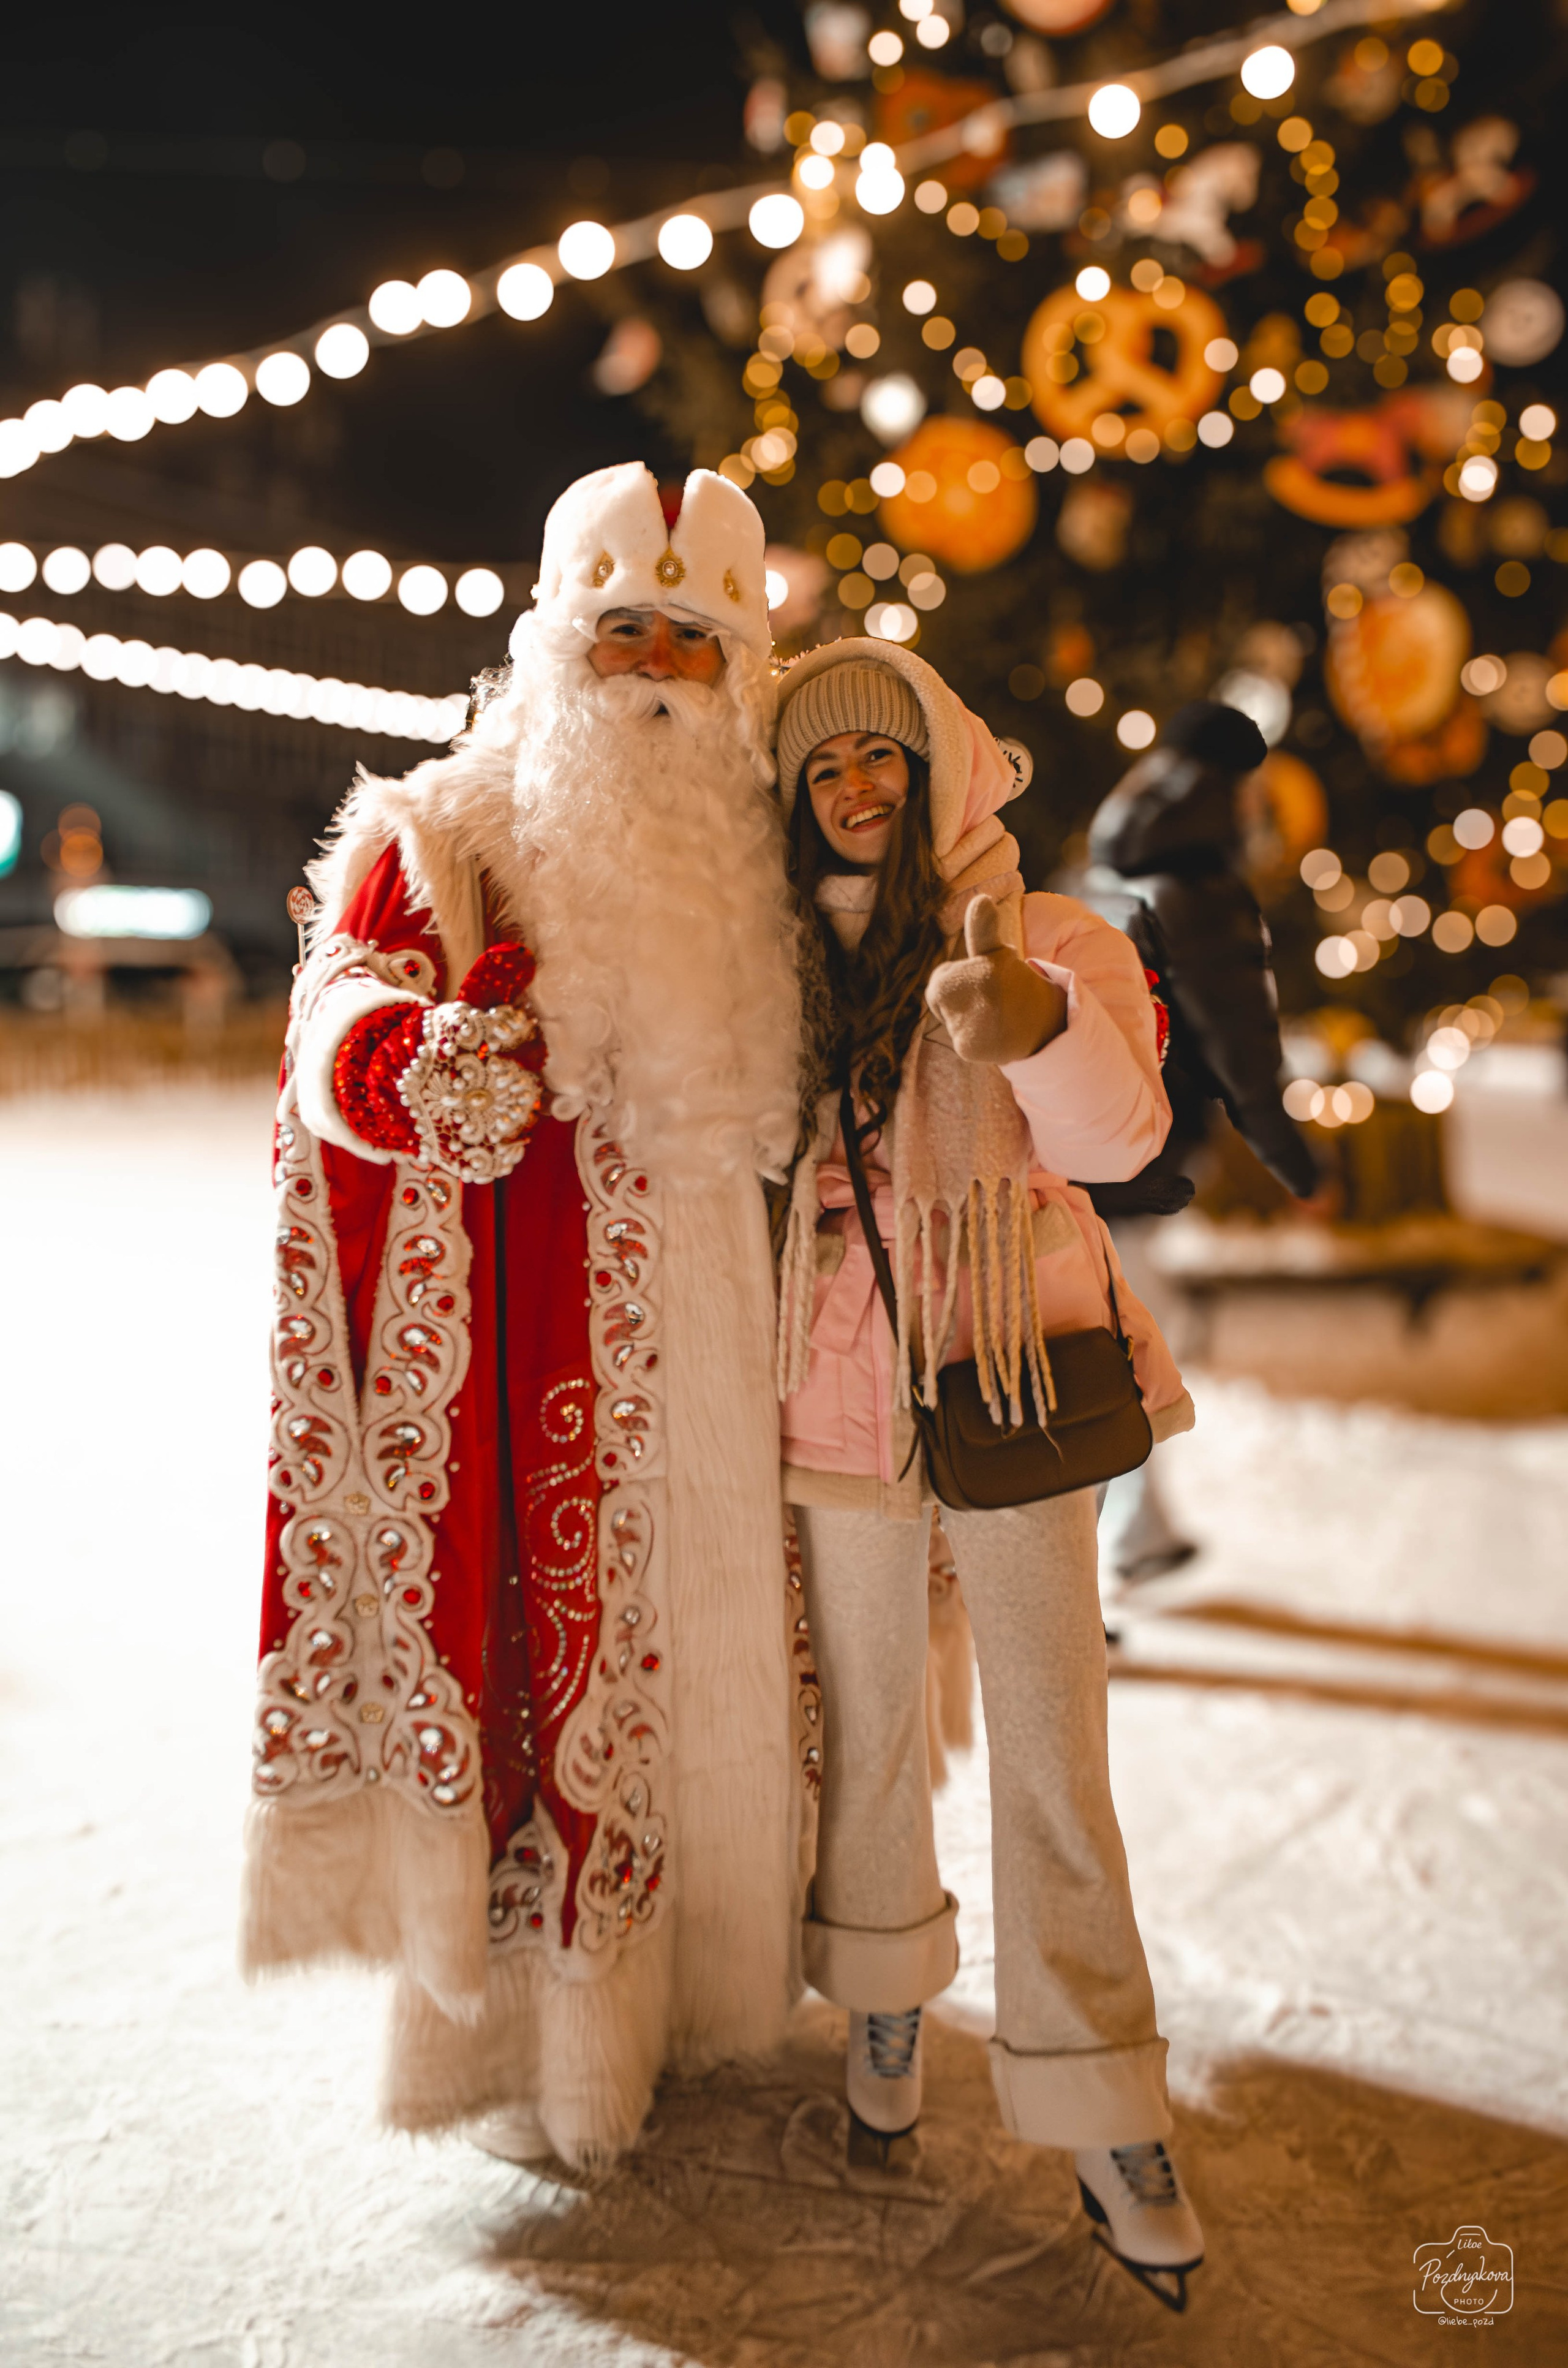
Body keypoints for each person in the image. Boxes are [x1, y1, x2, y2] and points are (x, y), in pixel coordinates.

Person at [243, 461, 810, 2171]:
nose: (657, 670)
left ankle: (715, 1987)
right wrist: (403, 1067)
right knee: (558, 1668)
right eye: (623, 630)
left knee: (721, 1658)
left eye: (694, 642)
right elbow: (341, 999)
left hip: (740, 1342)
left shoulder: (772, 837)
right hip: (542, 1333)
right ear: (561, 637)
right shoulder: (456, 826)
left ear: (742, 665)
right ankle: (545, 2038)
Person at [772, 638, 1205, 2311]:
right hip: (834, 1379)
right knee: (867, 1723)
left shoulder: (1044, 931)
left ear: (940, 763)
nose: (853, 786)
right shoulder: (773, 956)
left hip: (1013, 1360)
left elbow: (1121, 1139)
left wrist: (1035, 1026)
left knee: (1050, 1744)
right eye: (822, 765)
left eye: (879, 754)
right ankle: (885, 1992)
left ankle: (1104, 2099)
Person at [1084, 700, 1317, 1581]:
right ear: (1232, 787)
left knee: (1118, 1344)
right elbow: (1241, 1045)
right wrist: (1299, 1164)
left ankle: (1136, 1535)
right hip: (1138, 1160)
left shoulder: (1103, 859)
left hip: (1082, 1142)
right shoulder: (1204, 894)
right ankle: (1090, 1564)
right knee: (1118, 1360)